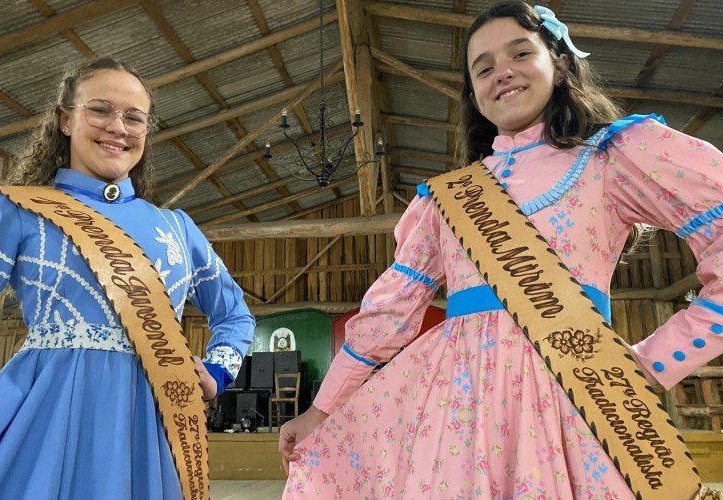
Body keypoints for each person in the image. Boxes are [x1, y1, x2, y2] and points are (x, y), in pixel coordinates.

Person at [280, 2, 723, 497]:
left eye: (519, 53)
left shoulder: (612, 158)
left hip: (573, 400)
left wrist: (649, 364)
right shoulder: (445, 199)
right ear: (473, 93)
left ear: (557, 63)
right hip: (451, 412)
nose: (502, 74)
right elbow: (389, 310)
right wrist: (322, 409)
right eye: (483, 68)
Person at [0, 57, 255, 499]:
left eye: (133, 117)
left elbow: (236, 316)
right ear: (65, 120)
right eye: (100, 110)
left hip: (152, 427)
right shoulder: (16, 211)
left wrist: (217, 370)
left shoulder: (177, 228)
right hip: (45, 419)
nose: (118, 126)